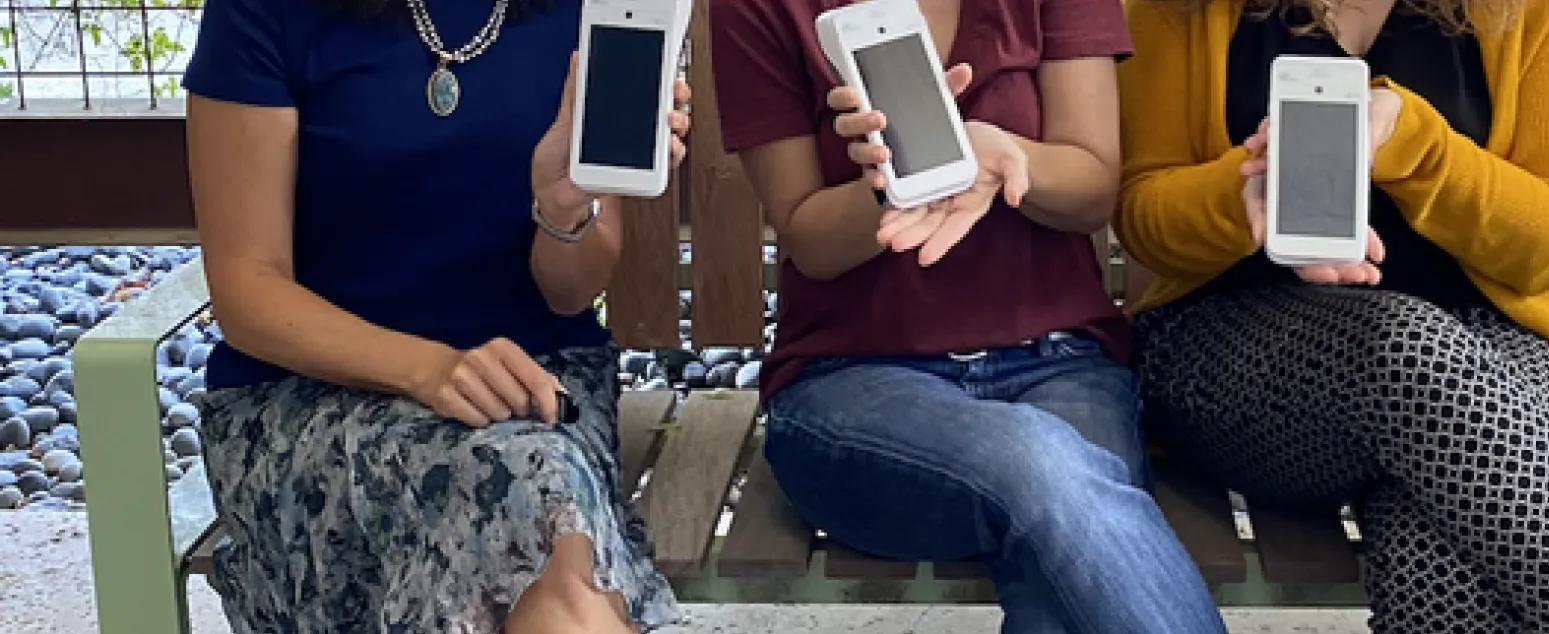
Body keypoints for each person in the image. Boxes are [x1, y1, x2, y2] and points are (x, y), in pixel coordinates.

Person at [1115, 0, 1549, 632]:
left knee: (1440, 519)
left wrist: (1414, 145)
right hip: (1240, 359)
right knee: (1402, 346)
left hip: (1506, 347)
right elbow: (1147, 218)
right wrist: (1247, 192)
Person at [706, 0, 1230, 631]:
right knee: (1045, 470)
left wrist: (1003, 157)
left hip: (1059, 363)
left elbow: (1092, 187)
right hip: (850, 381)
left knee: (1061, 575)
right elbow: (808, 239)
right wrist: (894, 184)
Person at [180, 0, 689, 630]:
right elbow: (248, 290)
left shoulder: (591, 11)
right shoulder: (263, 11)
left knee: (537, 506)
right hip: (307, 398)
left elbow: (569, 294)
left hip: (532, 390)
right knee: (546, 533)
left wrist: (562, 211)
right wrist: (431, 369)